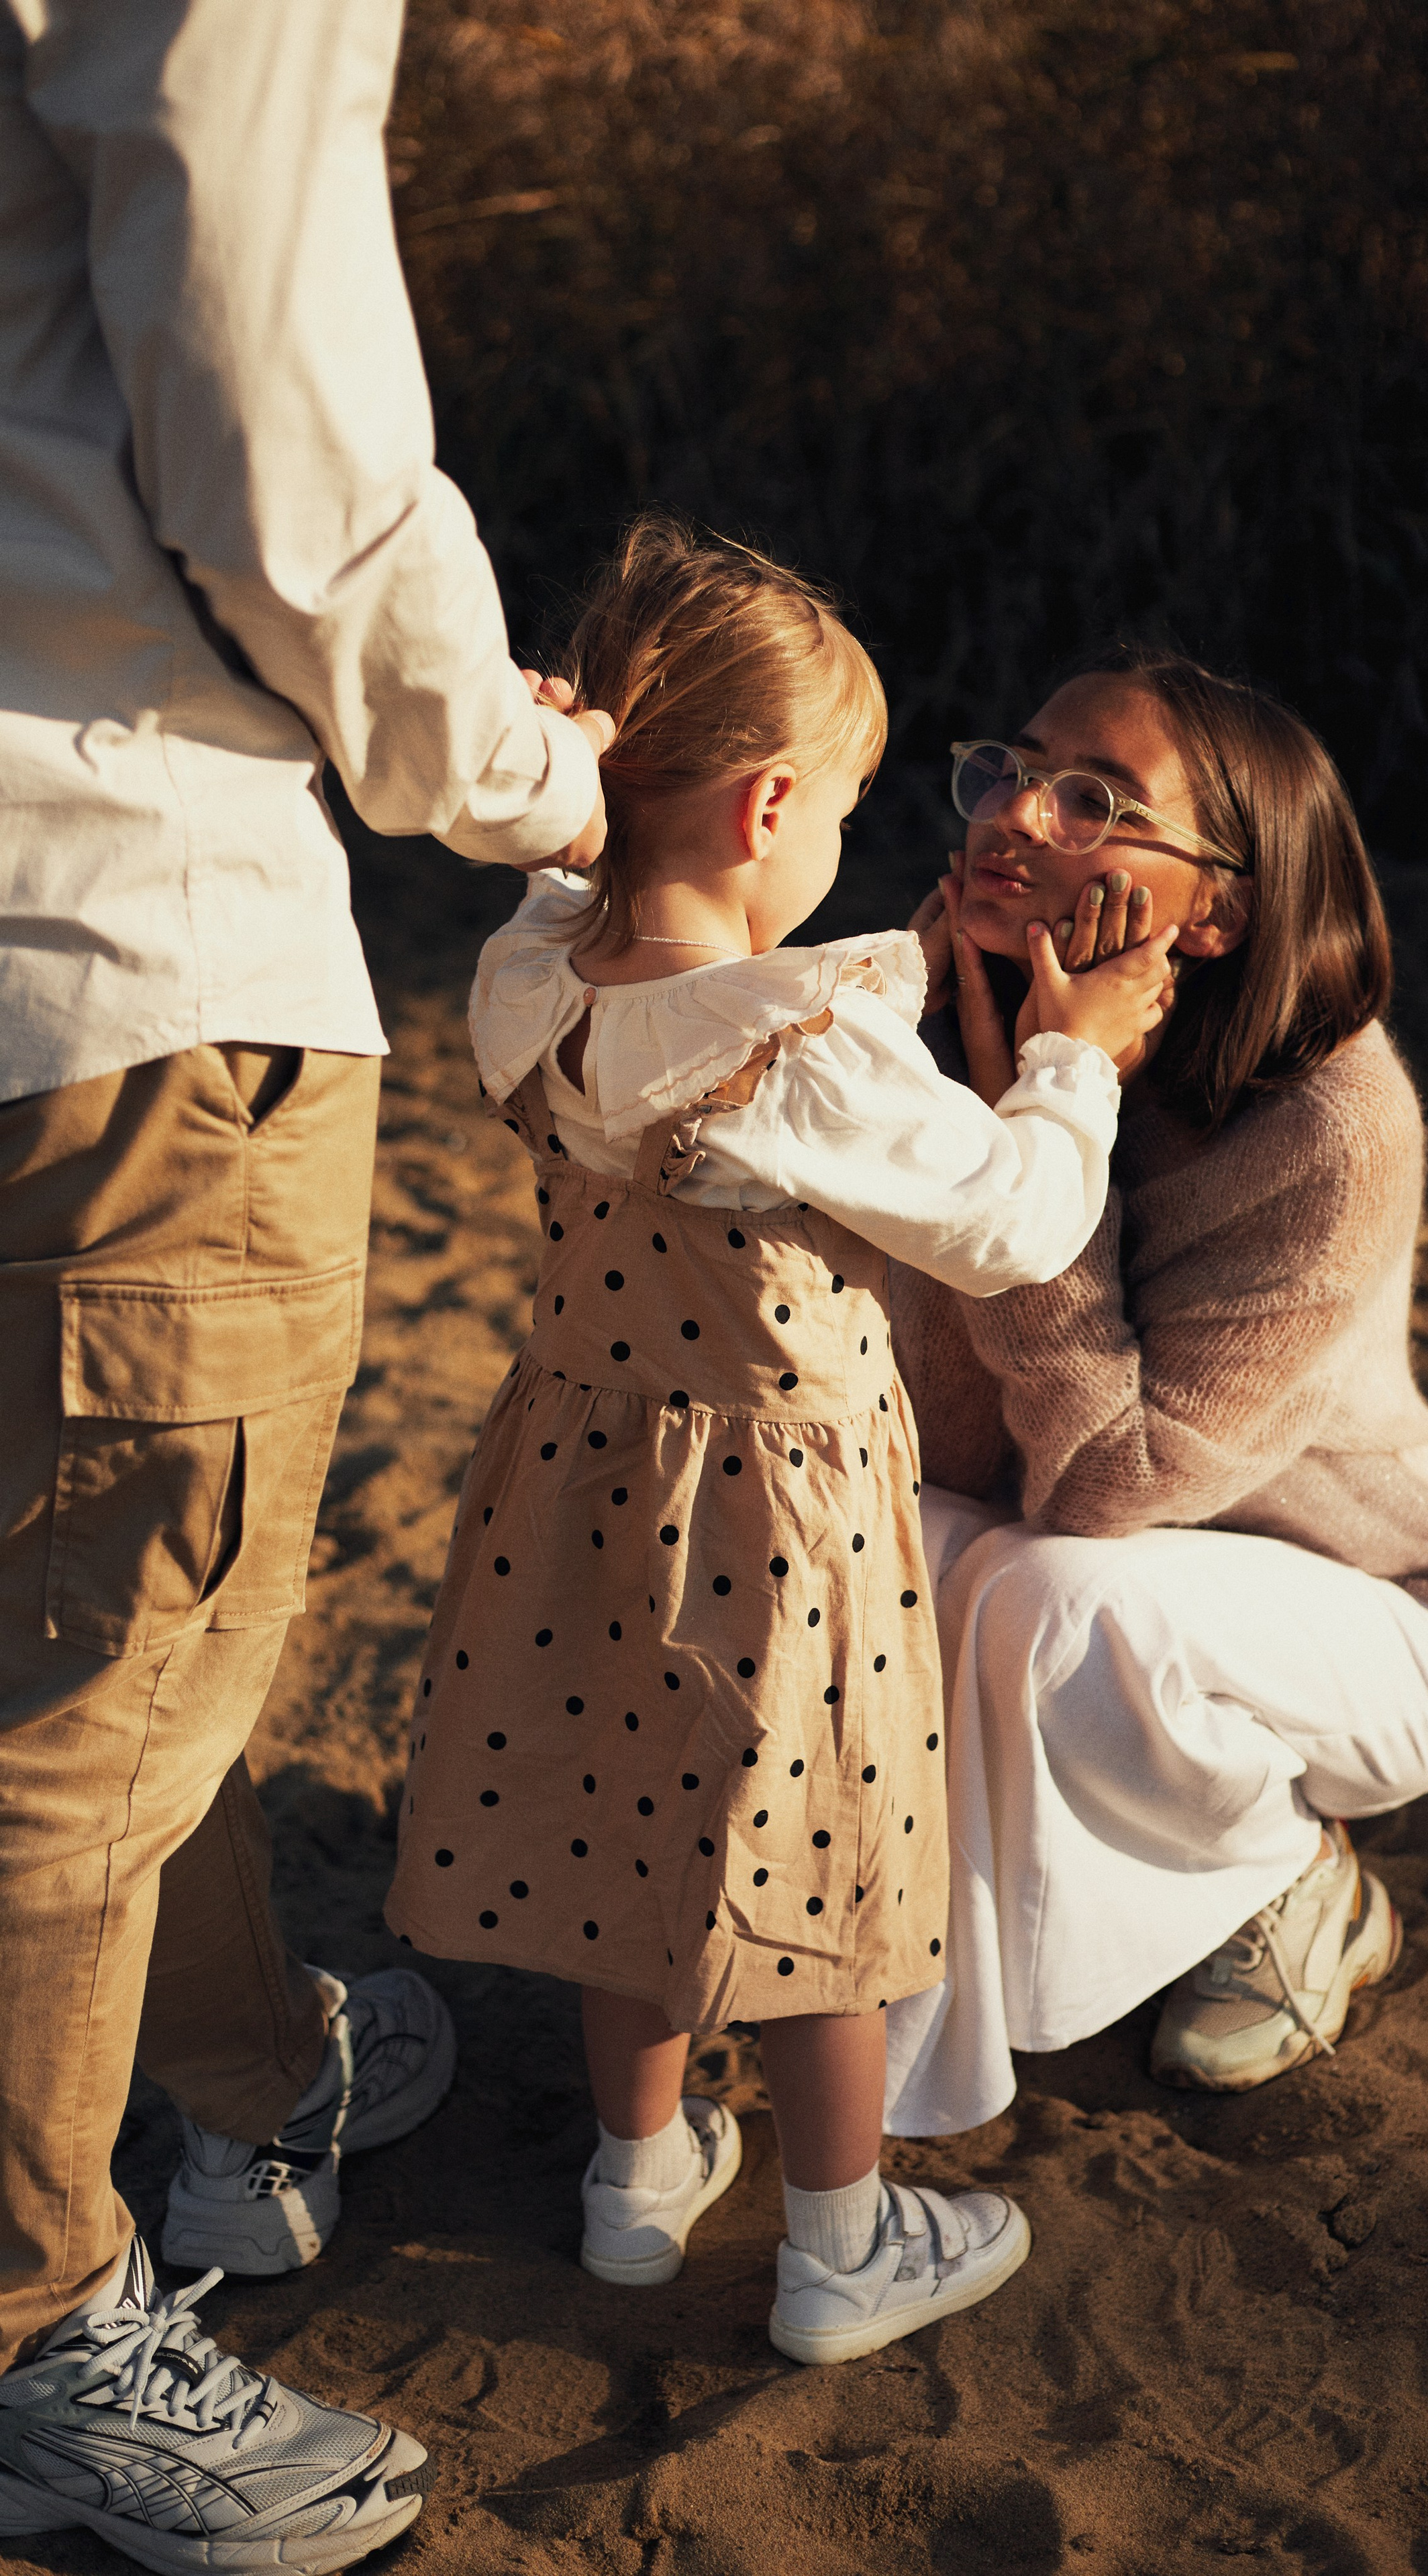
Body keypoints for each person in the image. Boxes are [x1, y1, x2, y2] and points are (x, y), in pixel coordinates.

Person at [0, 2, 610, 2564]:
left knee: (104, 1615)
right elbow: (281, 439)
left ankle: (242, 2060)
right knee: (96, 1665)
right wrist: (551, 781)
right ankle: (34, 2327)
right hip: (119, 911)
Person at [385, 516, 1175, 2362]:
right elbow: (1009, 1222)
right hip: (783, 1513)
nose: (842, 855)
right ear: (763, 814)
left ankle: (635, 2181)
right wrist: (1081, 1057)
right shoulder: (805, 1041)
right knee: (825, 1848)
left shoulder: (532, 978)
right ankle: (838, 2238)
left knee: (620, 1817)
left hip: (579, 1488)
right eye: (838, 812)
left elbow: (609, 937)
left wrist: (574, 805)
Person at [882, 650, 1428, 2139]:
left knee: (1055, 1594)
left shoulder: (1332, 1127)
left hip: (1387, 1611)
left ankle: (1290, 1878)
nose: (1012, 816)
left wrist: (1038, 1127)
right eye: (1010, 769)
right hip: (1108, 1556)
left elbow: (1102, 1490)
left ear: (1218, 908)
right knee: (875, 1535)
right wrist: (977, 1082)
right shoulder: (942, 1020)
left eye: (1090, 802)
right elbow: (942, 1440)